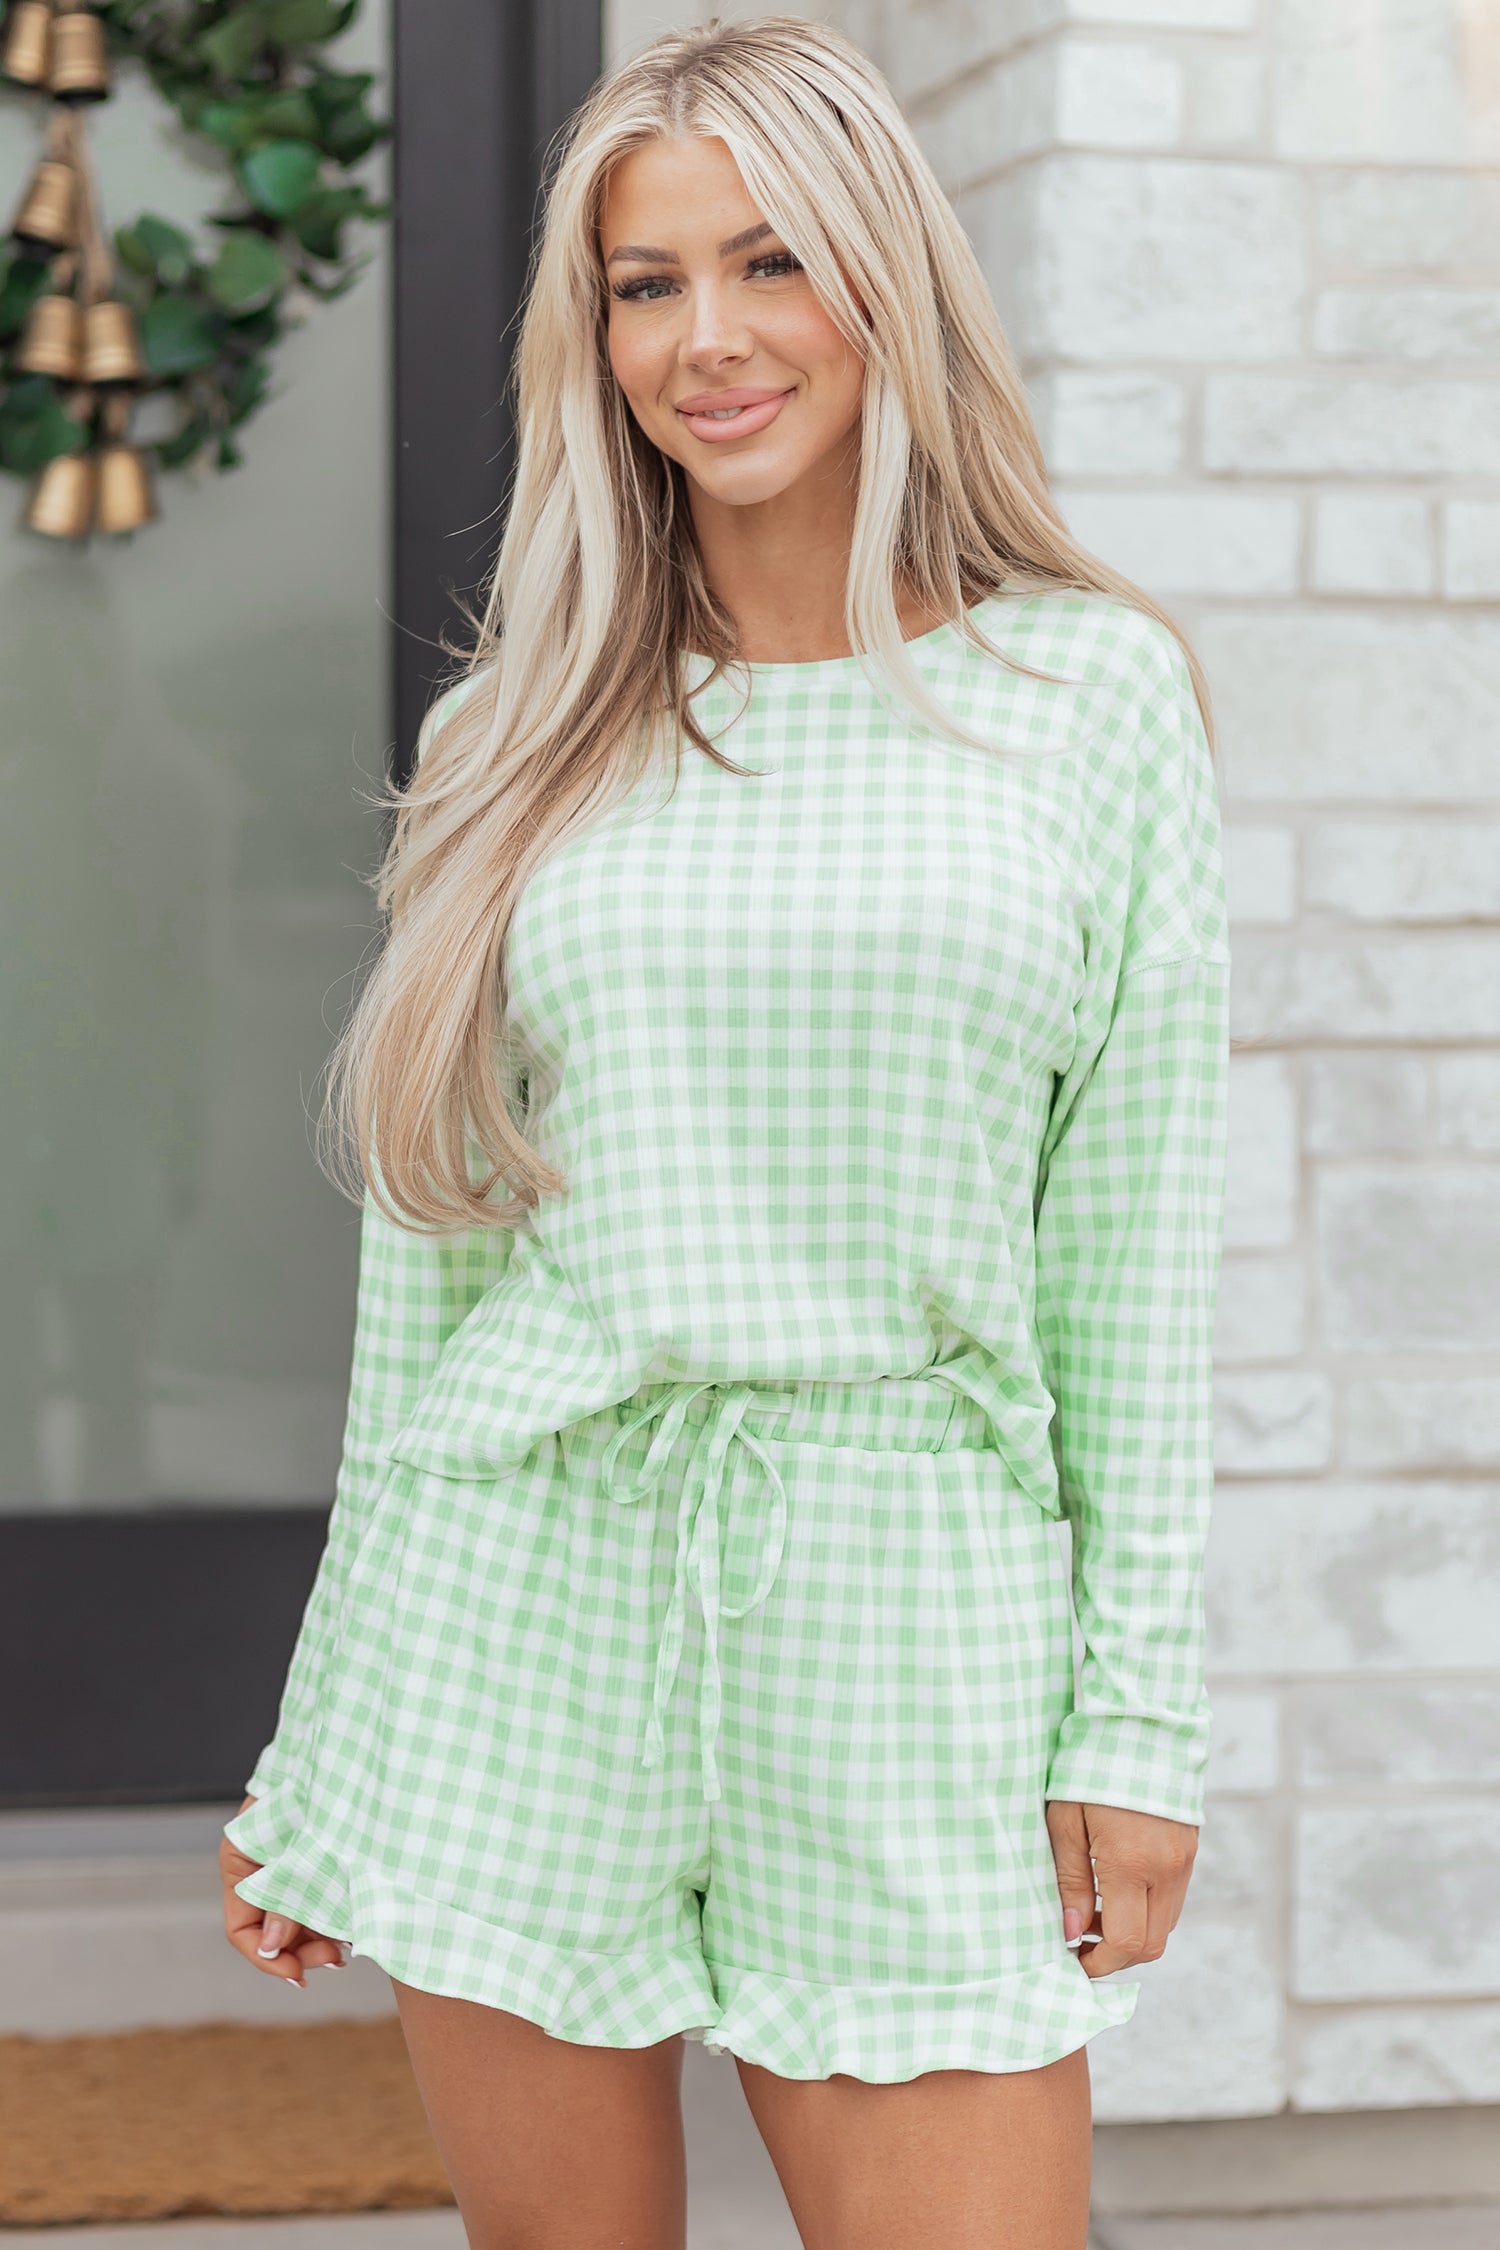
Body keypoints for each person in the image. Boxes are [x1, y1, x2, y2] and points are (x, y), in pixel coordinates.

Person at [217, 18, 1230, 2248]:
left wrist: (1135, 1725)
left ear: (887, 278)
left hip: (909, 1606)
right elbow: (436, 1270)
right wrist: (327, 1733)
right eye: (646, 284)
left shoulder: (1090, 695)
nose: (710, 339)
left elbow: (1137, 1252)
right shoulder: (513, 732)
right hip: (518, 1597)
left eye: (770, 260)